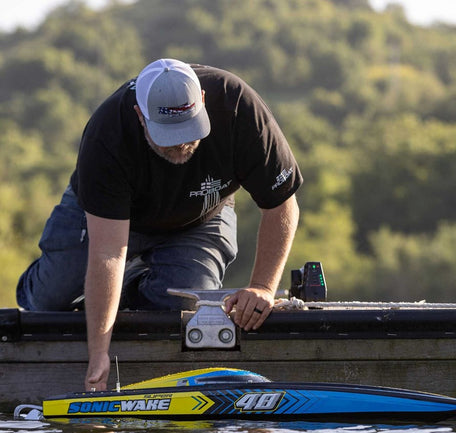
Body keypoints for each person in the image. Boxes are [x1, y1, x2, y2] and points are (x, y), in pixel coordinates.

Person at [17, 58, 302, 391]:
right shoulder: (107, 133)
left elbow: (282, 204)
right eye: (168, 135)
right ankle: (64, 285)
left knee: (183, 303)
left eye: (189, 130)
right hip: (110, 220)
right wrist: (98, 354)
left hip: (199, 216)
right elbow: (108, 252)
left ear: (203, 101)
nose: (181, 144)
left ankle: (127, 288)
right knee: (48, 301)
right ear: (141, 115)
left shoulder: (237, 105)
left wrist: (263, 286)